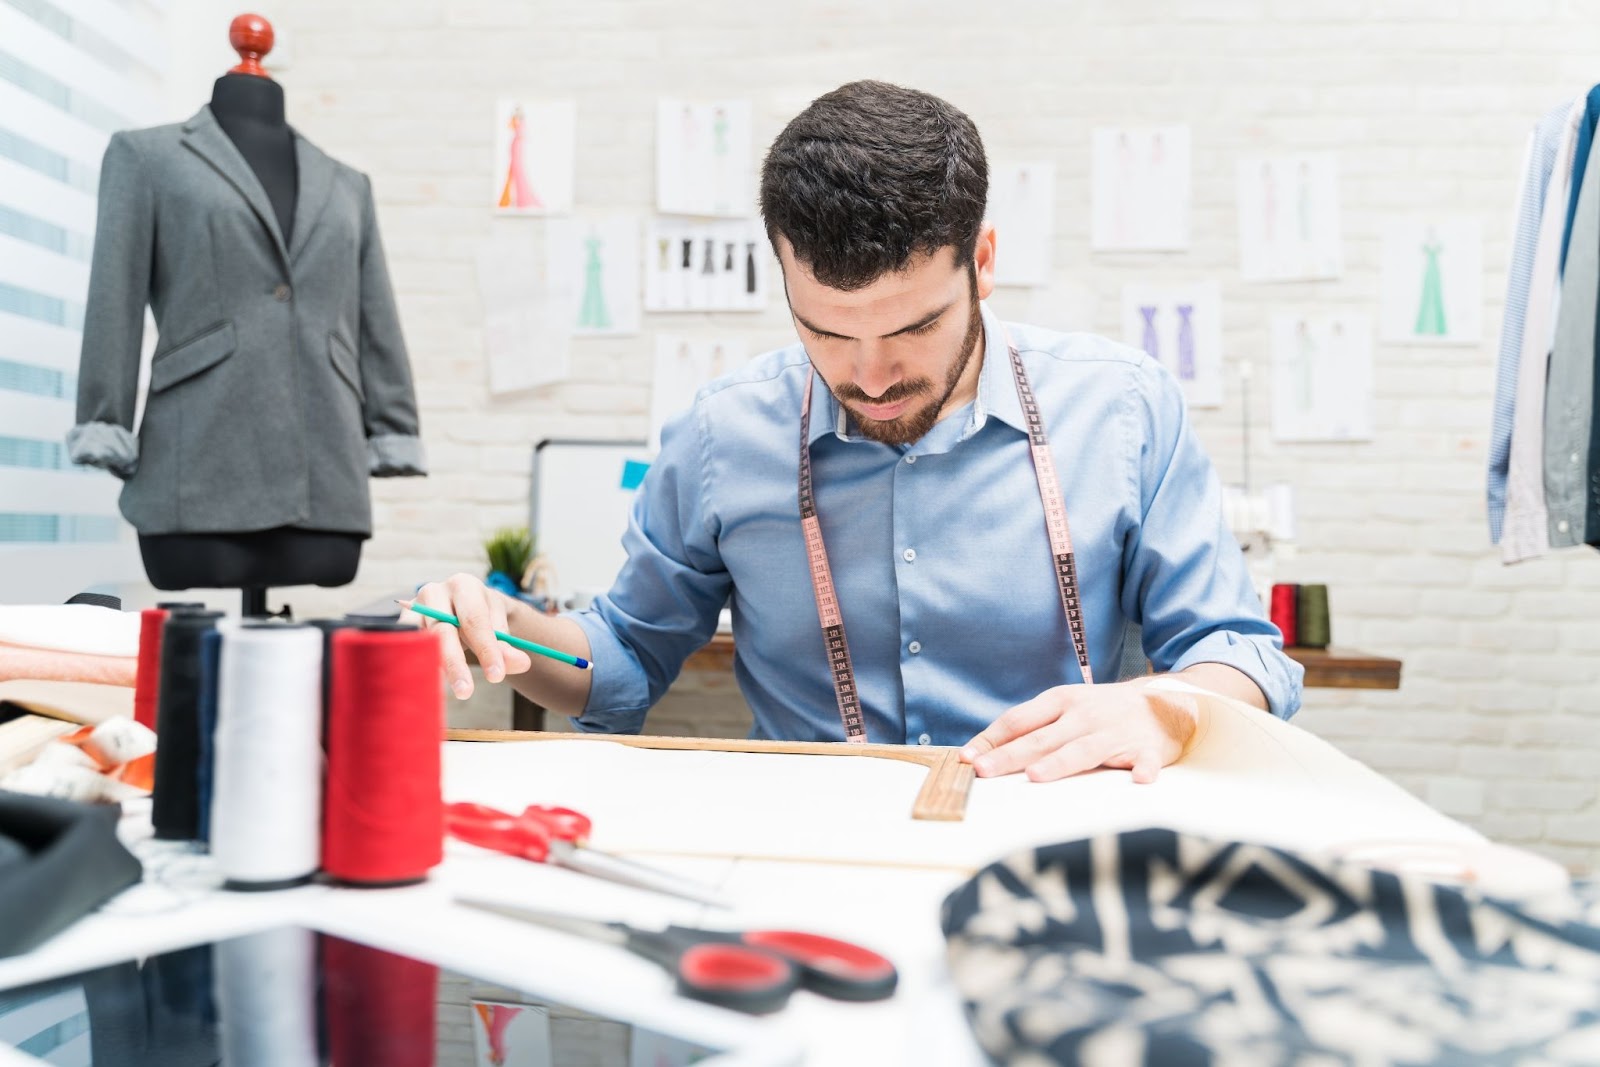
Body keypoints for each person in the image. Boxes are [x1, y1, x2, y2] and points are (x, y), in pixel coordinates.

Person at [415, 81, 1302, 783]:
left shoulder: (1123, 409)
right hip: (808, 862)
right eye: (830, 333)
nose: (871, 377)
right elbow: (621, 657)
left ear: (982, 262)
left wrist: (1164, 705)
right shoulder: (725, 433)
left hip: (1051, 846)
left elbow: (1245, 655)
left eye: (912, 328)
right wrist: (508, 631)